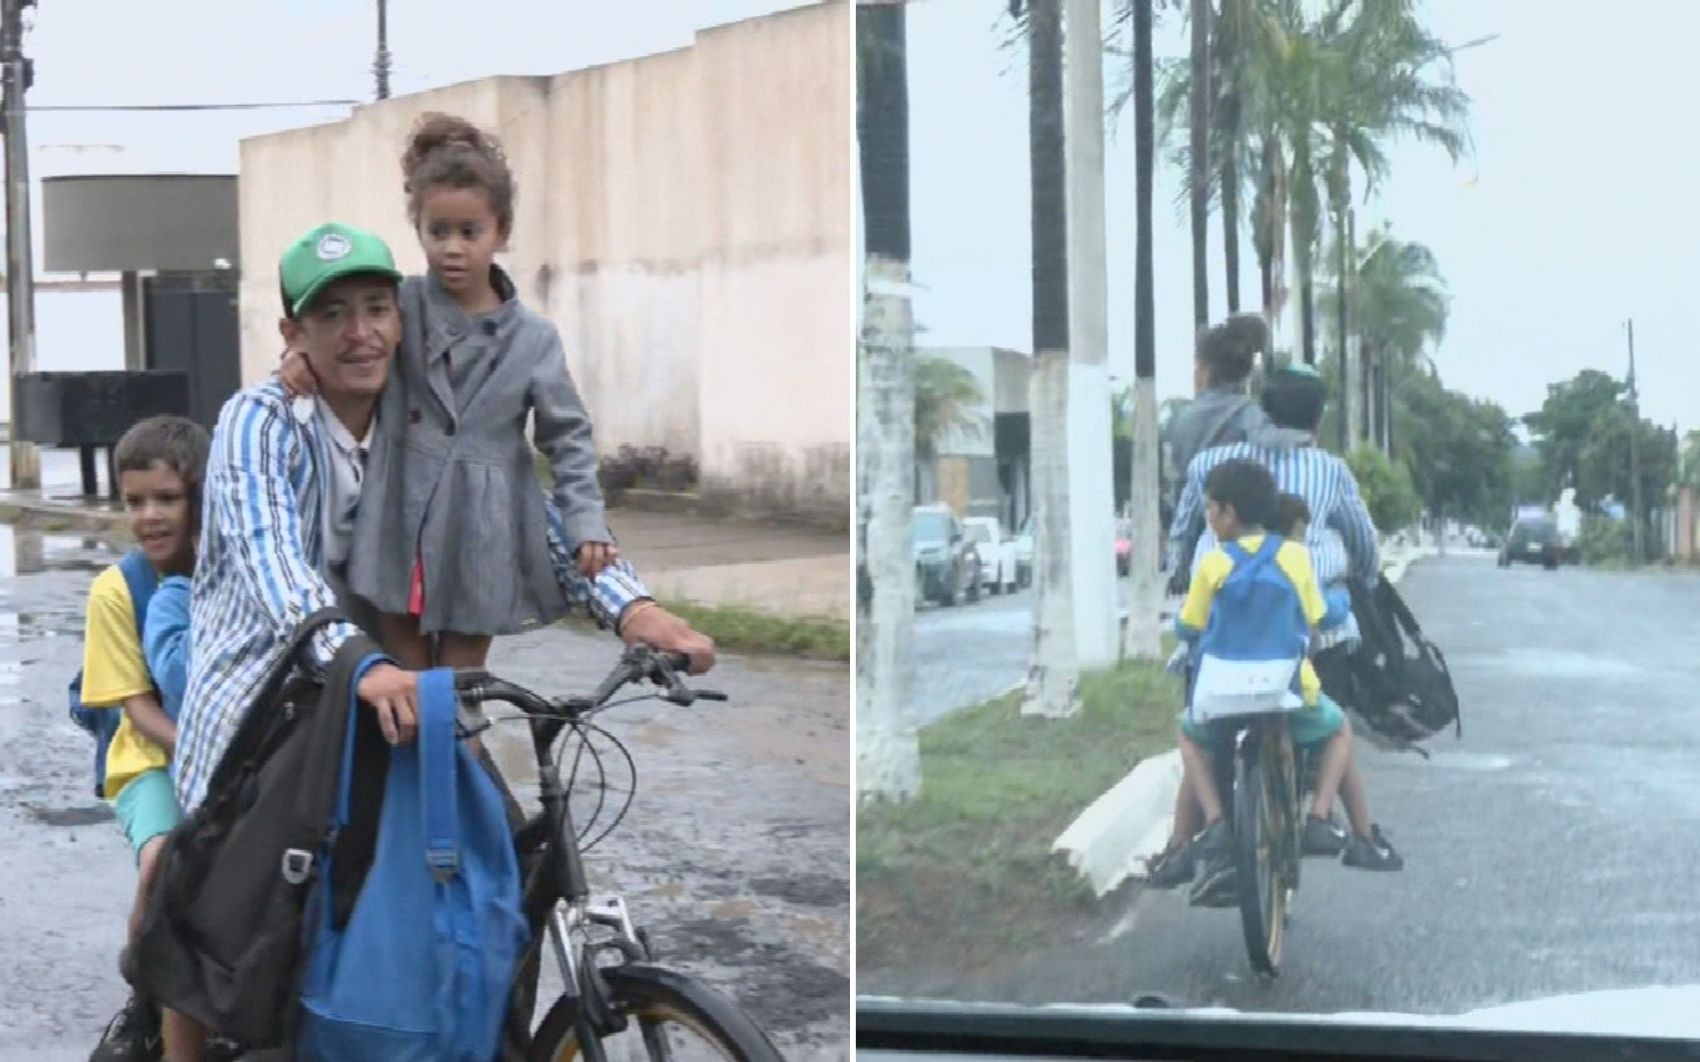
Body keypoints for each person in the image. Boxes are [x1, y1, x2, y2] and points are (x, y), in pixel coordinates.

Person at [175, 218, 712, 829]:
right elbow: (272, 564)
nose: (360, 333)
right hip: (266, 711)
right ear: (293, 334)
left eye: (376, 309)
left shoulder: (423, 416)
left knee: (509, 850)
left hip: (395, 703)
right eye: (332, 315)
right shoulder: (260, 422)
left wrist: (633, 609)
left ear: (401, 321)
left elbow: (521, 509)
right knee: (258, 878)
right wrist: (358, 662)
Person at [280, 113, 617, 675]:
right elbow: (348, 340)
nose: (452, 249)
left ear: (501, 232)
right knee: (409, 678)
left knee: (461, 685)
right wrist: (296, 359)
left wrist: (586, 523)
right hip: (397, 512)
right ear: (418, 229)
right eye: (437, 232)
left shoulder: (533, 339)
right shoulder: (402, 305)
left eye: (470, 232)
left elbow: (569, 439)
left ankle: (463, 735)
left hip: (482, 526)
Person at [82, 416, 226, 1062]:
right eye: (134, 501)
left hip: (231, 754)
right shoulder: (118, 591)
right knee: (162, 861)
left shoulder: (233, 572)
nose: (149, 517)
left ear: (200, 498)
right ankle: (145, 993)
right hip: (151, 759)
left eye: (166, 498)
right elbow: (138, 708)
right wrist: (205, 751)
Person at [1161, 313, 1307, 564]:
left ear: (1205, 371)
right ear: (1247, 372)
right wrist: (1303, 438)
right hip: (1235, 535)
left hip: (1194, 536)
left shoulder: (1180, 419)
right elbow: (1270, 441)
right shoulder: (1247, 414)